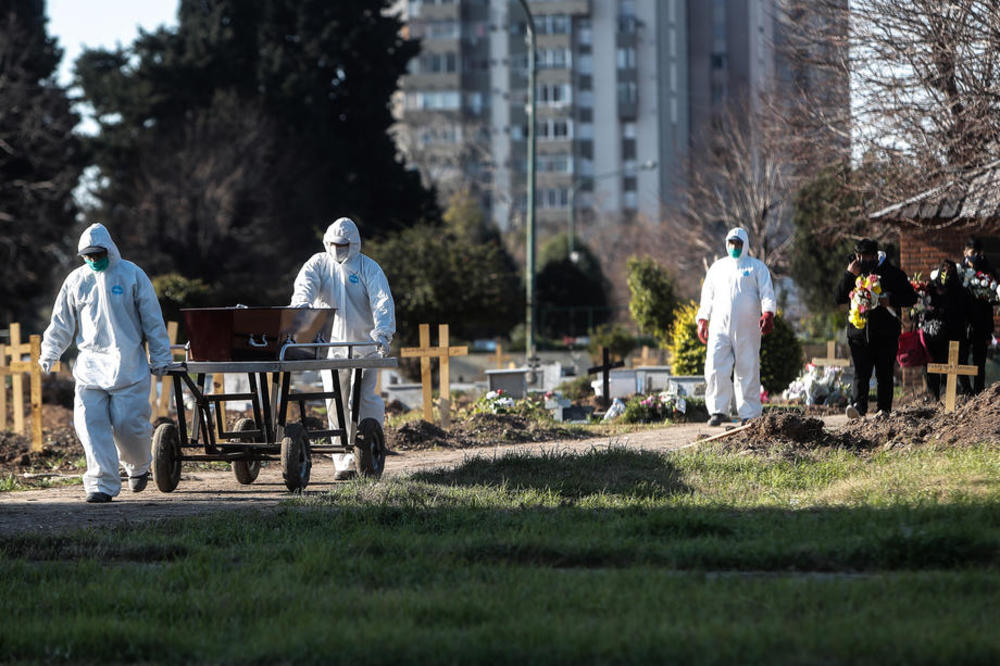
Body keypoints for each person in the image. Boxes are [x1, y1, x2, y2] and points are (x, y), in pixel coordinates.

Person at [39, 223, 173, 503]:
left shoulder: (132, 275)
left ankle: (138, 466)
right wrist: (50, 352)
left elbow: (152, 319)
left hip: (129, 366)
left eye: (97, 254)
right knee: (89, 424)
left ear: (109, 251)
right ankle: (101, 484)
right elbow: (61, 322)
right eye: (87, 256)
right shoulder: (77, 280)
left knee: (129, 426)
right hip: (90, 368)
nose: (93, 260)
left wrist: (160, 356)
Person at [290, 217, 395, 479]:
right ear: (328, 242)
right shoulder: (319, 264)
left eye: (344, 245)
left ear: (354, 244)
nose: (339, 250)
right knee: (335, 404)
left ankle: (369, 452)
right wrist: (301, 307)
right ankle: (344, 464)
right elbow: (305, 286)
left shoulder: (368, 267)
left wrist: (382, 334)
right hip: (332, 350)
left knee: (362, 401)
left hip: (363, 349)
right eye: (335, 244)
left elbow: (383, 302)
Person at [696, 227, 777, 426]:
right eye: (732, 243)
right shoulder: (717, 268)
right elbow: (707, 296)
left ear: (746, 245)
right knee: (715, 366)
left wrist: (768, 313)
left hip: (748, 328)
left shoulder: (757, 267)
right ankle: (717, 410)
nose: (735, 247)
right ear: (726, 244)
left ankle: (749, 413)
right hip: (719, 326)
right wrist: (702, 319)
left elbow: (767, 293)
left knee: (747, 367)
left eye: (738, 244)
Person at [834, 238, 917, 419]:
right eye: (858, 256)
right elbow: (839, 297)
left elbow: (911, 297)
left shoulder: (892, 273)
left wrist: (891, 300)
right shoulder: (854, 272)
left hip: (885, 334)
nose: (862, 260)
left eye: (865, 256)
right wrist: (849, 275)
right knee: (860, 374)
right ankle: (858, 407)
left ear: (874, 255)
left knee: (884, 374)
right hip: (859, 334)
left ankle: (884, 410)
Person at [921, 260, 973, 401]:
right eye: (943, 271)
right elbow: (923, 309)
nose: (946, 274)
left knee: (954, 371)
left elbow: (969, 314)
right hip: (934, 338)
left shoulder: (962, 292)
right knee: (932, 369)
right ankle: (934, 398)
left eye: (949, 271)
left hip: (955, 337)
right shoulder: (931, 289)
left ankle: (953, 397)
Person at [960, 237, 997, 394]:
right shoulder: (958, 271)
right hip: (962, 323)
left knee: (979, 361)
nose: (975, 256)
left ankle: (979, 391)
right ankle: (966, 390)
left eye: (978, 253)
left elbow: (993, 299)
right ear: (965, 252)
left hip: (981, 322)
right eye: (972, 252)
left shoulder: (987, 272)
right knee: (961, 359)